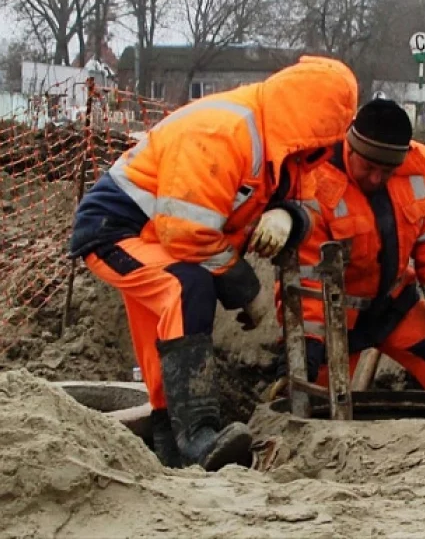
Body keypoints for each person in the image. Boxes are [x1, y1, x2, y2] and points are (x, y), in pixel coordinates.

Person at [68, 55, 358, 471]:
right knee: (187, 288)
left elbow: (315, 206)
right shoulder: (224, 132)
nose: (329, 147)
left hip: (156, 235)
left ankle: (171, 446)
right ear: (312, 121)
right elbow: (187, 233)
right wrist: (246, 291)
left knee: (168, 326)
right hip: (116, 229)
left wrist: (288, 215)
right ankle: (198, 436)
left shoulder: (288, 149)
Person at [271, 98, 425, 397]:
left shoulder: (418, 169)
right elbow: (307, 279)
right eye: (368, 166)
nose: (376, 178)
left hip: (393, 305)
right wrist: (301, 355)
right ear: (351, 148)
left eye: (386, 171)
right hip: (336, 317)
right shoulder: (315, 180)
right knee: (307, 398)